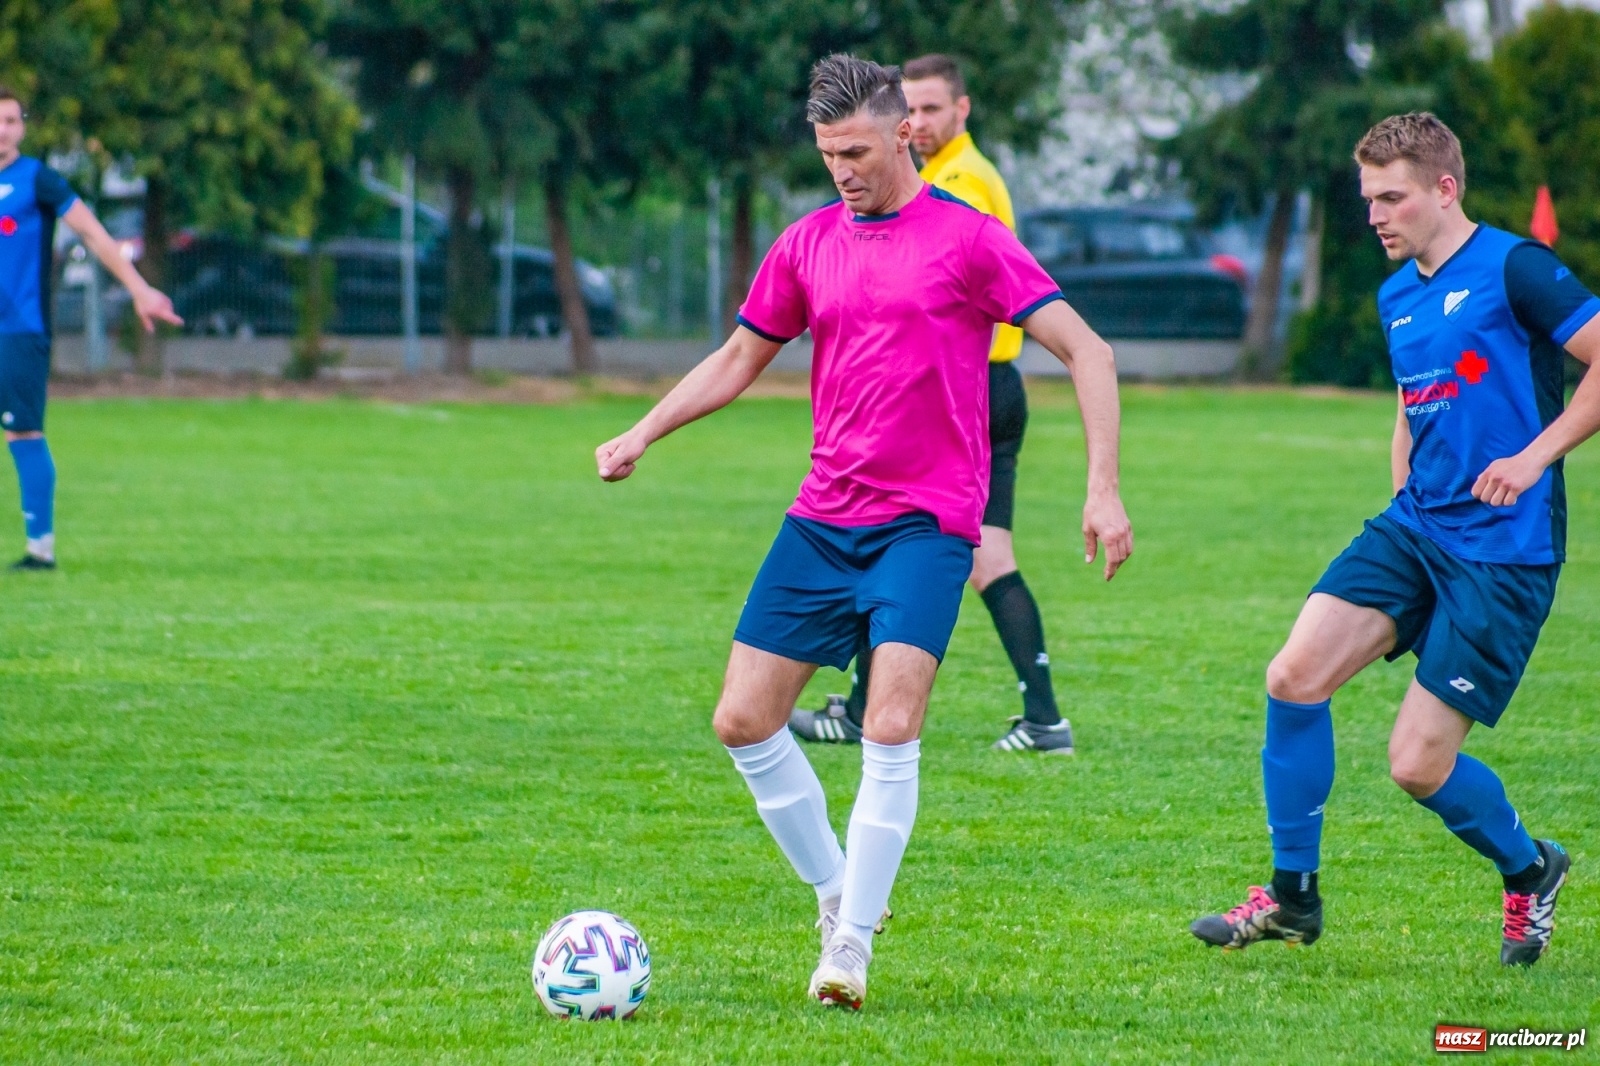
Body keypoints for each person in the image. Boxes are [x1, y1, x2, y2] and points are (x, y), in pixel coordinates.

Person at [595, 55, 1132, 1009]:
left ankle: (849, 950)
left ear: (904, 135)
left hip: (927, 526)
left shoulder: (969, 241)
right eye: (826, 154)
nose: (840, 169)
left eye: (853, 150)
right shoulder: (806, 244)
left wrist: (1102, 489)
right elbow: (735, 359)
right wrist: (643, 431)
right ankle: (839, 894)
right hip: (824, 515)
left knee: (890, 722)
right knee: (742, 719)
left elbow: (1086, 349)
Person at [1190, 113, 1599, 966]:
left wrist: (1532, 458)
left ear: (1444, 189)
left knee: (1415, 764)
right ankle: (1294, 900)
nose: (1375, 215)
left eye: (1392, 197)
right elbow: (1420, 400)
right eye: (1368, 197)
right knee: (1293, 677)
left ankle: (1530, 869)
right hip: (1415, 528)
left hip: (1503, 549)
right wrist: (1400, 489)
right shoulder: (1396, 293)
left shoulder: (1515, 267)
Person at [788, 53, 1076, 754]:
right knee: (977, 554)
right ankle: (1038, 716)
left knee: (904, 536)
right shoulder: (936, 175)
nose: (919, 123)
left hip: (970, 393)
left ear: (961, 111)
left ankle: (1028, 717)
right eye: (911, 108)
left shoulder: (960, 185)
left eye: (932, 110)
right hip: (977, 388)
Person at [0, 88, 182, 570]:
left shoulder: (38, 180)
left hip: (18, 329)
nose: (3, 130)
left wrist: (139, 288)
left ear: (22, 126)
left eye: (11, 120)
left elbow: (94, 233)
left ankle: (40, 548)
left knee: (24, 433)